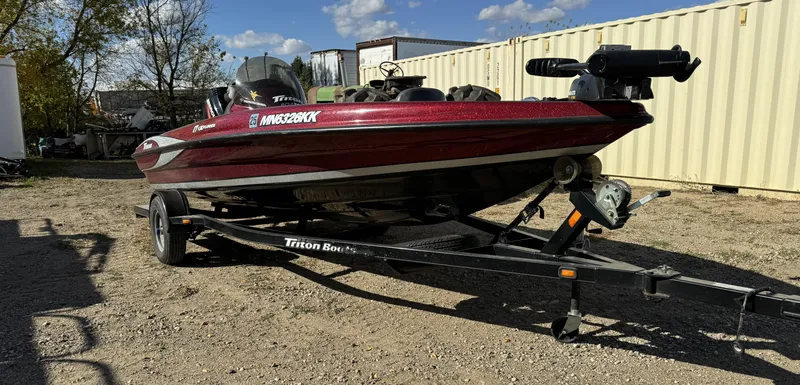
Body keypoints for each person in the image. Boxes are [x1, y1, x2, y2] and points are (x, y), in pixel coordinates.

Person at [225, 55, 306, 114]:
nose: (256, 73)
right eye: (252, 70)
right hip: (252, 113)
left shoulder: (279, 86)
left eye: (258, 70)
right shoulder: (242, 91)